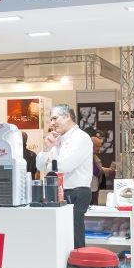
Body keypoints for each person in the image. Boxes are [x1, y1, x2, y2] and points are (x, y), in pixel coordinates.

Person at [36, 104, 93, 249]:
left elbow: (64, 166)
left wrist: (51, 164)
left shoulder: (81, 137)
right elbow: (40, 166)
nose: (51, 123)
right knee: (60, 239)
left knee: (73, 238)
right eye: (50, 120)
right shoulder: (58, 140)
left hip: (76, 192)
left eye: (55, 118)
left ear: (67, 116)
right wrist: (47, 148)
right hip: (59, 192)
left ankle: (77, 263)